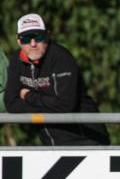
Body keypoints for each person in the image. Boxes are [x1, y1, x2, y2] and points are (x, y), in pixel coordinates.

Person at [4, 13, 111, 146]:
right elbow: (11, 104)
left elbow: (66, 105)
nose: (33, 44)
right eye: (26, 38)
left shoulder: (62, 57)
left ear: (47, 36)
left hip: (86, 140)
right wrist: (50, 106)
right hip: (51, 144)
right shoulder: (16, 60)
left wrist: (29, 96)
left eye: (38, 37)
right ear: (18, 40)